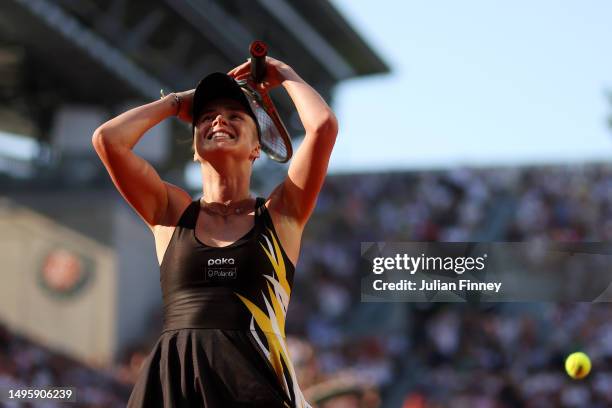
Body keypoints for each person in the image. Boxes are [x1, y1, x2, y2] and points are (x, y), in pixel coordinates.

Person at [92, 56, 337, 407]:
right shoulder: (170, 213)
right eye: (206, 117)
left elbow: (323, 126)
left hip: (256, 384)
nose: (219, 119)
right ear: (194, 149)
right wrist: (175, 102)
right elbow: (107, 140)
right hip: (174, 385)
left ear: (258, 147)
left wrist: (284, 73)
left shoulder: (282, 213)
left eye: (235, 116)